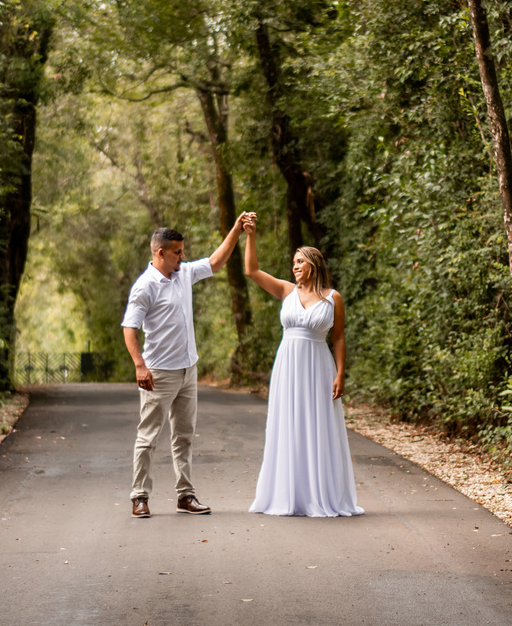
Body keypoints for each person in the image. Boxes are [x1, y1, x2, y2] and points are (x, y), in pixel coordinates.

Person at [122, 215, 251, 518]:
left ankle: (185, 495)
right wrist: (140, 365)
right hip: (159, 373)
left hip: (187, 370)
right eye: (178, 252)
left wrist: (235, 230)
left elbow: (216, 262)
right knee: (148, 436)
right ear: (160, 253)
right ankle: (139, 496)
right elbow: (130, 328)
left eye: (183, 251)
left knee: (184, 436)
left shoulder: (184, 274)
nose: (183, 256)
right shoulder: (145, 287)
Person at [242, 214, 364, 517]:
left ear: (314, 265)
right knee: (289, 424)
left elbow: (338, 339)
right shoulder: (286, 291)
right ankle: (288, 494)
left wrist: (340, 374)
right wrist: (250, 235)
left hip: (318, 366)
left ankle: (321, 494)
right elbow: (252, 270)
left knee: (318, 425)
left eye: (300, 262)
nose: (295, 267)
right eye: (293, 263)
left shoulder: (333, 298)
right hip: (288, 365)